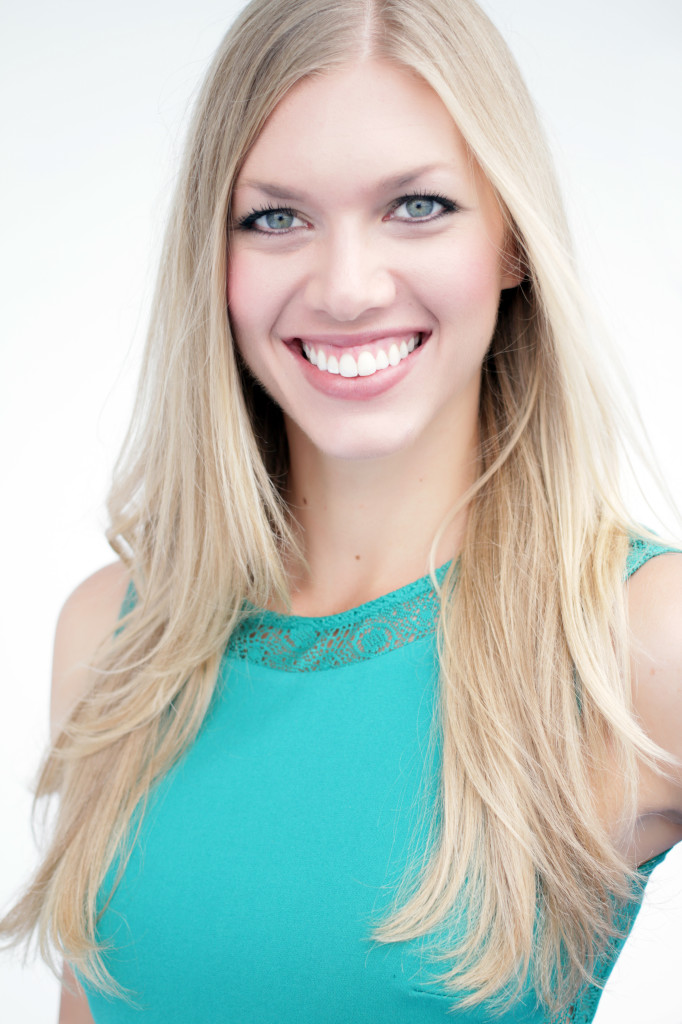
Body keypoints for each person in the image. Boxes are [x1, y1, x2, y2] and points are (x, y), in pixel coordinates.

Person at [2, 0, 681, 1021]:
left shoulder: (636, 635)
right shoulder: (113, 635)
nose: (348, 287)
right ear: (214, 262)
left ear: (511, 239)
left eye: (416, 206)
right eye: (275, 217)